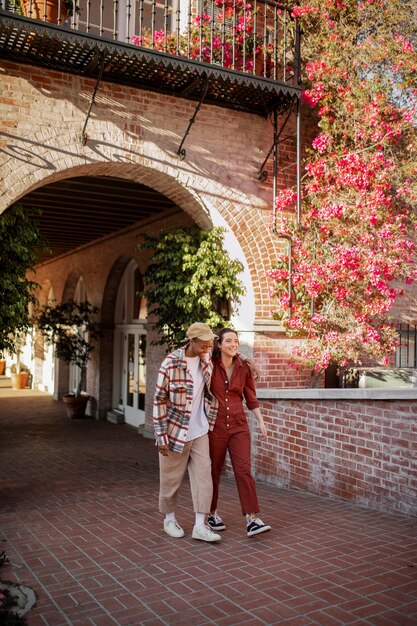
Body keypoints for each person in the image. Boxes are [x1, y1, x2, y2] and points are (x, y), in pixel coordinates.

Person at [153, 322, 222, 543]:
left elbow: (232, 354)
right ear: (191, 341)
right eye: (203, 345)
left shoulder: (206, 358)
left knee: (204, 479)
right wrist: (160, 436)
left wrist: (248, 362)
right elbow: (159, 400)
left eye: (209, 345)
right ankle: (169, 520)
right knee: (171, 479)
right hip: (174, 432)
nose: (207, 349)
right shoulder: (171, 363)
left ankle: (200, 526)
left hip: (200, 430)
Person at [207, 328, 271, 537]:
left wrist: (260, 421)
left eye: (236, 341)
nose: (233, 344)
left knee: (243, 470)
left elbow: (250, 397)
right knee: (213, 471)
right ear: (219, 344)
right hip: (214, 427)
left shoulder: (243, 367)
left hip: (238, 426)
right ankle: (211, 513)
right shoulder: (209, 364)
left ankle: (252, 519)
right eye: (228, 341)